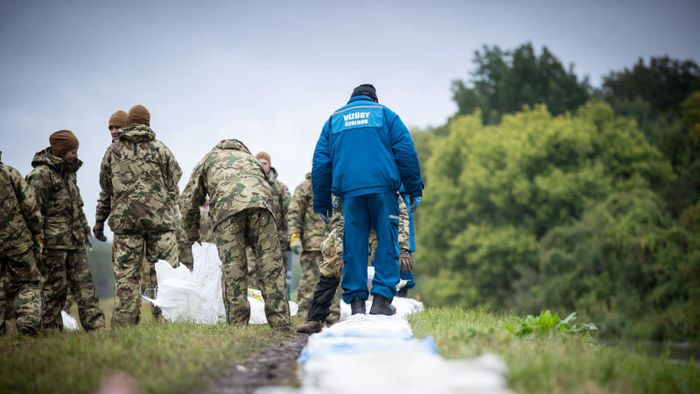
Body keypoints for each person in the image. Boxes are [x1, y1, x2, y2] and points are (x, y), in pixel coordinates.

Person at [312, 84, 423, 316]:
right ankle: (381, 302)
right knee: (386, 243)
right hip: (383, 190)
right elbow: (406, 151)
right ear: (374, 99)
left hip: (349, 192)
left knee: (353, 246)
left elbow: (321, 163)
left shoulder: (334, 120)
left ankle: (357, 305)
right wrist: (413, 189)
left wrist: (322, 201)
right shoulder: (386, 115)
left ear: (351, 99)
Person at [179, 139, 290, 330]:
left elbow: (189, 200)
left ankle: (238, 326)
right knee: (271, 265)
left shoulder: (209, 159)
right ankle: (281, 323)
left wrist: (191, 235)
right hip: (262, 207)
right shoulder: (250, 158)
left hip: (227, 210)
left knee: (234, 269)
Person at [96, 105, 182, 326]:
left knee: (126, 277)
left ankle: (124, 326)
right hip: (160, 224)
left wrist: (99, 222)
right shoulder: (160, 149)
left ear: (129, 123)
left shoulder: (112, 152)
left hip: (126, 226)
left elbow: (106, 188)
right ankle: (168, 320)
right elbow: (174, 180)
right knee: (165, 274)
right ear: (148, 123)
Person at [297, 194, 412, 333]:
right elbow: (339, 223)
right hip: (353, 223)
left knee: (388, 255)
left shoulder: (385, 184)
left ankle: (381, 305)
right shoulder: (344, 186)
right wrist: (340, 253)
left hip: (381, 225)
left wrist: (402, 247)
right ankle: (317, 317)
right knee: (332, 261)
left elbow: (401, 216)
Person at [26, 130, 105, 331]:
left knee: (86, 287)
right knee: (55, 290)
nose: (75, 155)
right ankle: (50, 331)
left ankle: (96, 329)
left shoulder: (69, 173)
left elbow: (76, 206)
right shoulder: (41, 176)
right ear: (60, 152)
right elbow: (32, 212)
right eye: (71, 151)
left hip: (75, 241)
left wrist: (84, 231)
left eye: (76, 150)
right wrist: (37, 245)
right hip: (53, 246)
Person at [0, 151, 43, 336]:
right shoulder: (9, 173)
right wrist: (37, 232)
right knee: (29, 283)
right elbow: (30, 205)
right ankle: (28, 325)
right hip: (18, 242)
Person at [246, 151, 290, 290]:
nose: (261, 165)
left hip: (276, 241)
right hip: (253, 240)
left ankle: (278, 310)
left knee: (276, 275)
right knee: (252, 273)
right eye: (259, 162)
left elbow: (289, 213)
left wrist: (290, 237)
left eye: (264, 163)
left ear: (270, 166)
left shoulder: (280, 188)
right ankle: (255, 308)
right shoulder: (248, 187)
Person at [287, 172, 329, 315]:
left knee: (333, 282)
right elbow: (294, 213)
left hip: (334, 244)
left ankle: (330, 318)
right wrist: (294, 236)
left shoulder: (336, 184)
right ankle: (304, 315)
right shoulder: (306, 187)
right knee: (309, 281)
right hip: (312, 243)